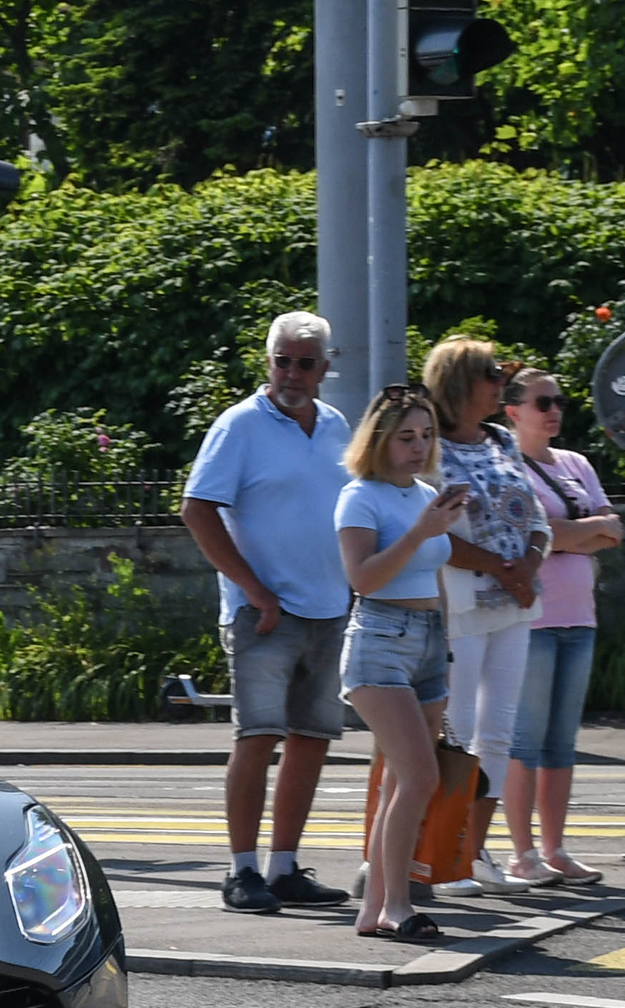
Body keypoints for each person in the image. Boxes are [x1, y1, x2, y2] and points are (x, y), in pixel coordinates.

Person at [181, 310, 356, 914]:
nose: (291, 373)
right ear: (268, 360)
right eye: (281, 359)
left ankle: (285, 867)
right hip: (265, 614)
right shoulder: (239, 426)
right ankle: (241, 870)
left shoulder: (336, 426)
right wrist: (254, 590)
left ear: (325, 368)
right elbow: (197, 508)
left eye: (305, 363)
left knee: (311, 740)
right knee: (257, 737)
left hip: (328, 607)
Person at [335, 386, 467, 941]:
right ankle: (395, 905)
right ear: (380, 440)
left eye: (427, 436)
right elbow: (361, 578)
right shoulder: (359, 498)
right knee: (419, 775)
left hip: (429, 640)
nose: (418, 447)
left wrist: (446, 642)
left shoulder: (424, 495)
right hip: (380, 640)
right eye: (406, 437)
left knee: (400, 782)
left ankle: (377, 910)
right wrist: (421, 533)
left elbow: (435, 574)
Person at [424, 338, 554, 895]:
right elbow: (436, 535)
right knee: (457, 733)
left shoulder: (502, 440)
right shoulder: (429, 448)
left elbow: (539, 522)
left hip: (513, 604)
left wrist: (524, 565)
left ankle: (474, 852)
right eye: (492, 374)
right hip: (462, 606)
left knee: (499, 732)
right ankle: (442, 855)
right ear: (460, 383)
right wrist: (505, 570)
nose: (502, 382)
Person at [503, 366, 621, 885]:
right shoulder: (507, 464)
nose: (553, 411)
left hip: (580, 618)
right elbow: (531, 533)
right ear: (513, 412)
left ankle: (556, 849)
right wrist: (581, 531)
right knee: (524, 742)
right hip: (534, 620)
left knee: (560, 745)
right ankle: (521, 854)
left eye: (558, 402)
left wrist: (571, 533)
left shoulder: (576, 463)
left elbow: (613, 529)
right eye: (542, 402)